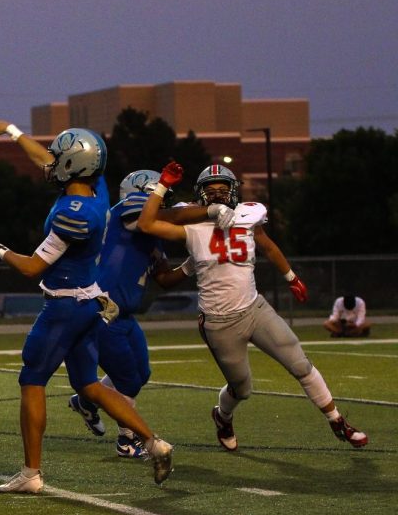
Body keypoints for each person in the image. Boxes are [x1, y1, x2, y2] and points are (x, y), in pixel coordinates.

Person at [0, 122, 174, 494]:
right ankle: (154, 442)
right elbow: (45, 158)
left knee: (31, 380)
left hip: (64, 305)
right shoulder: (96, 190)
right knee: (89, 385)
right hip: (89, 299)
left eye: (60, 158)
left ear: (73, 164)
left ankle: (31, 474)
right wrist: (13, 131)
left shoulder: (72, 214)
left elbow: (32, 268)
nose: (51, 163)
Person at [138, 162, 368, 450]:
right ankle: (222, 416)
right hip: (219, 321)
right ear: (200, 195)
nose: (219, 195)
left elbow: (267, 245)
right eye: (212, 191)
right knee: (242, 388)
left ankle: (337, 421)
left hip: (255, 308)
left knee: (300, 362)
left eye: (224, 189)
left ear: (235, 191)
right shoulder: (192, 223)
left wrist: (291, 277)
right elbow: (147, 222)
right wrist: (163, 186)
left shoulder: (249, 214)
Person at [65, 170, 233, 458]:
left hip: (126, 313)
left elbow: (165, 278)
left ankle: (87, 401)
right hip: (103, 307)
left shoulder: (148, 236)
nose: (163, 203)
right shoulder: (126, 211)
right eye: (160, 196)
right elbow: (169, 216)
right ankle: (127, 439)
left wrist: (191, 266)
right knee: (128, 380)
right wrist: (210, 210)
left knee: (141, 373)